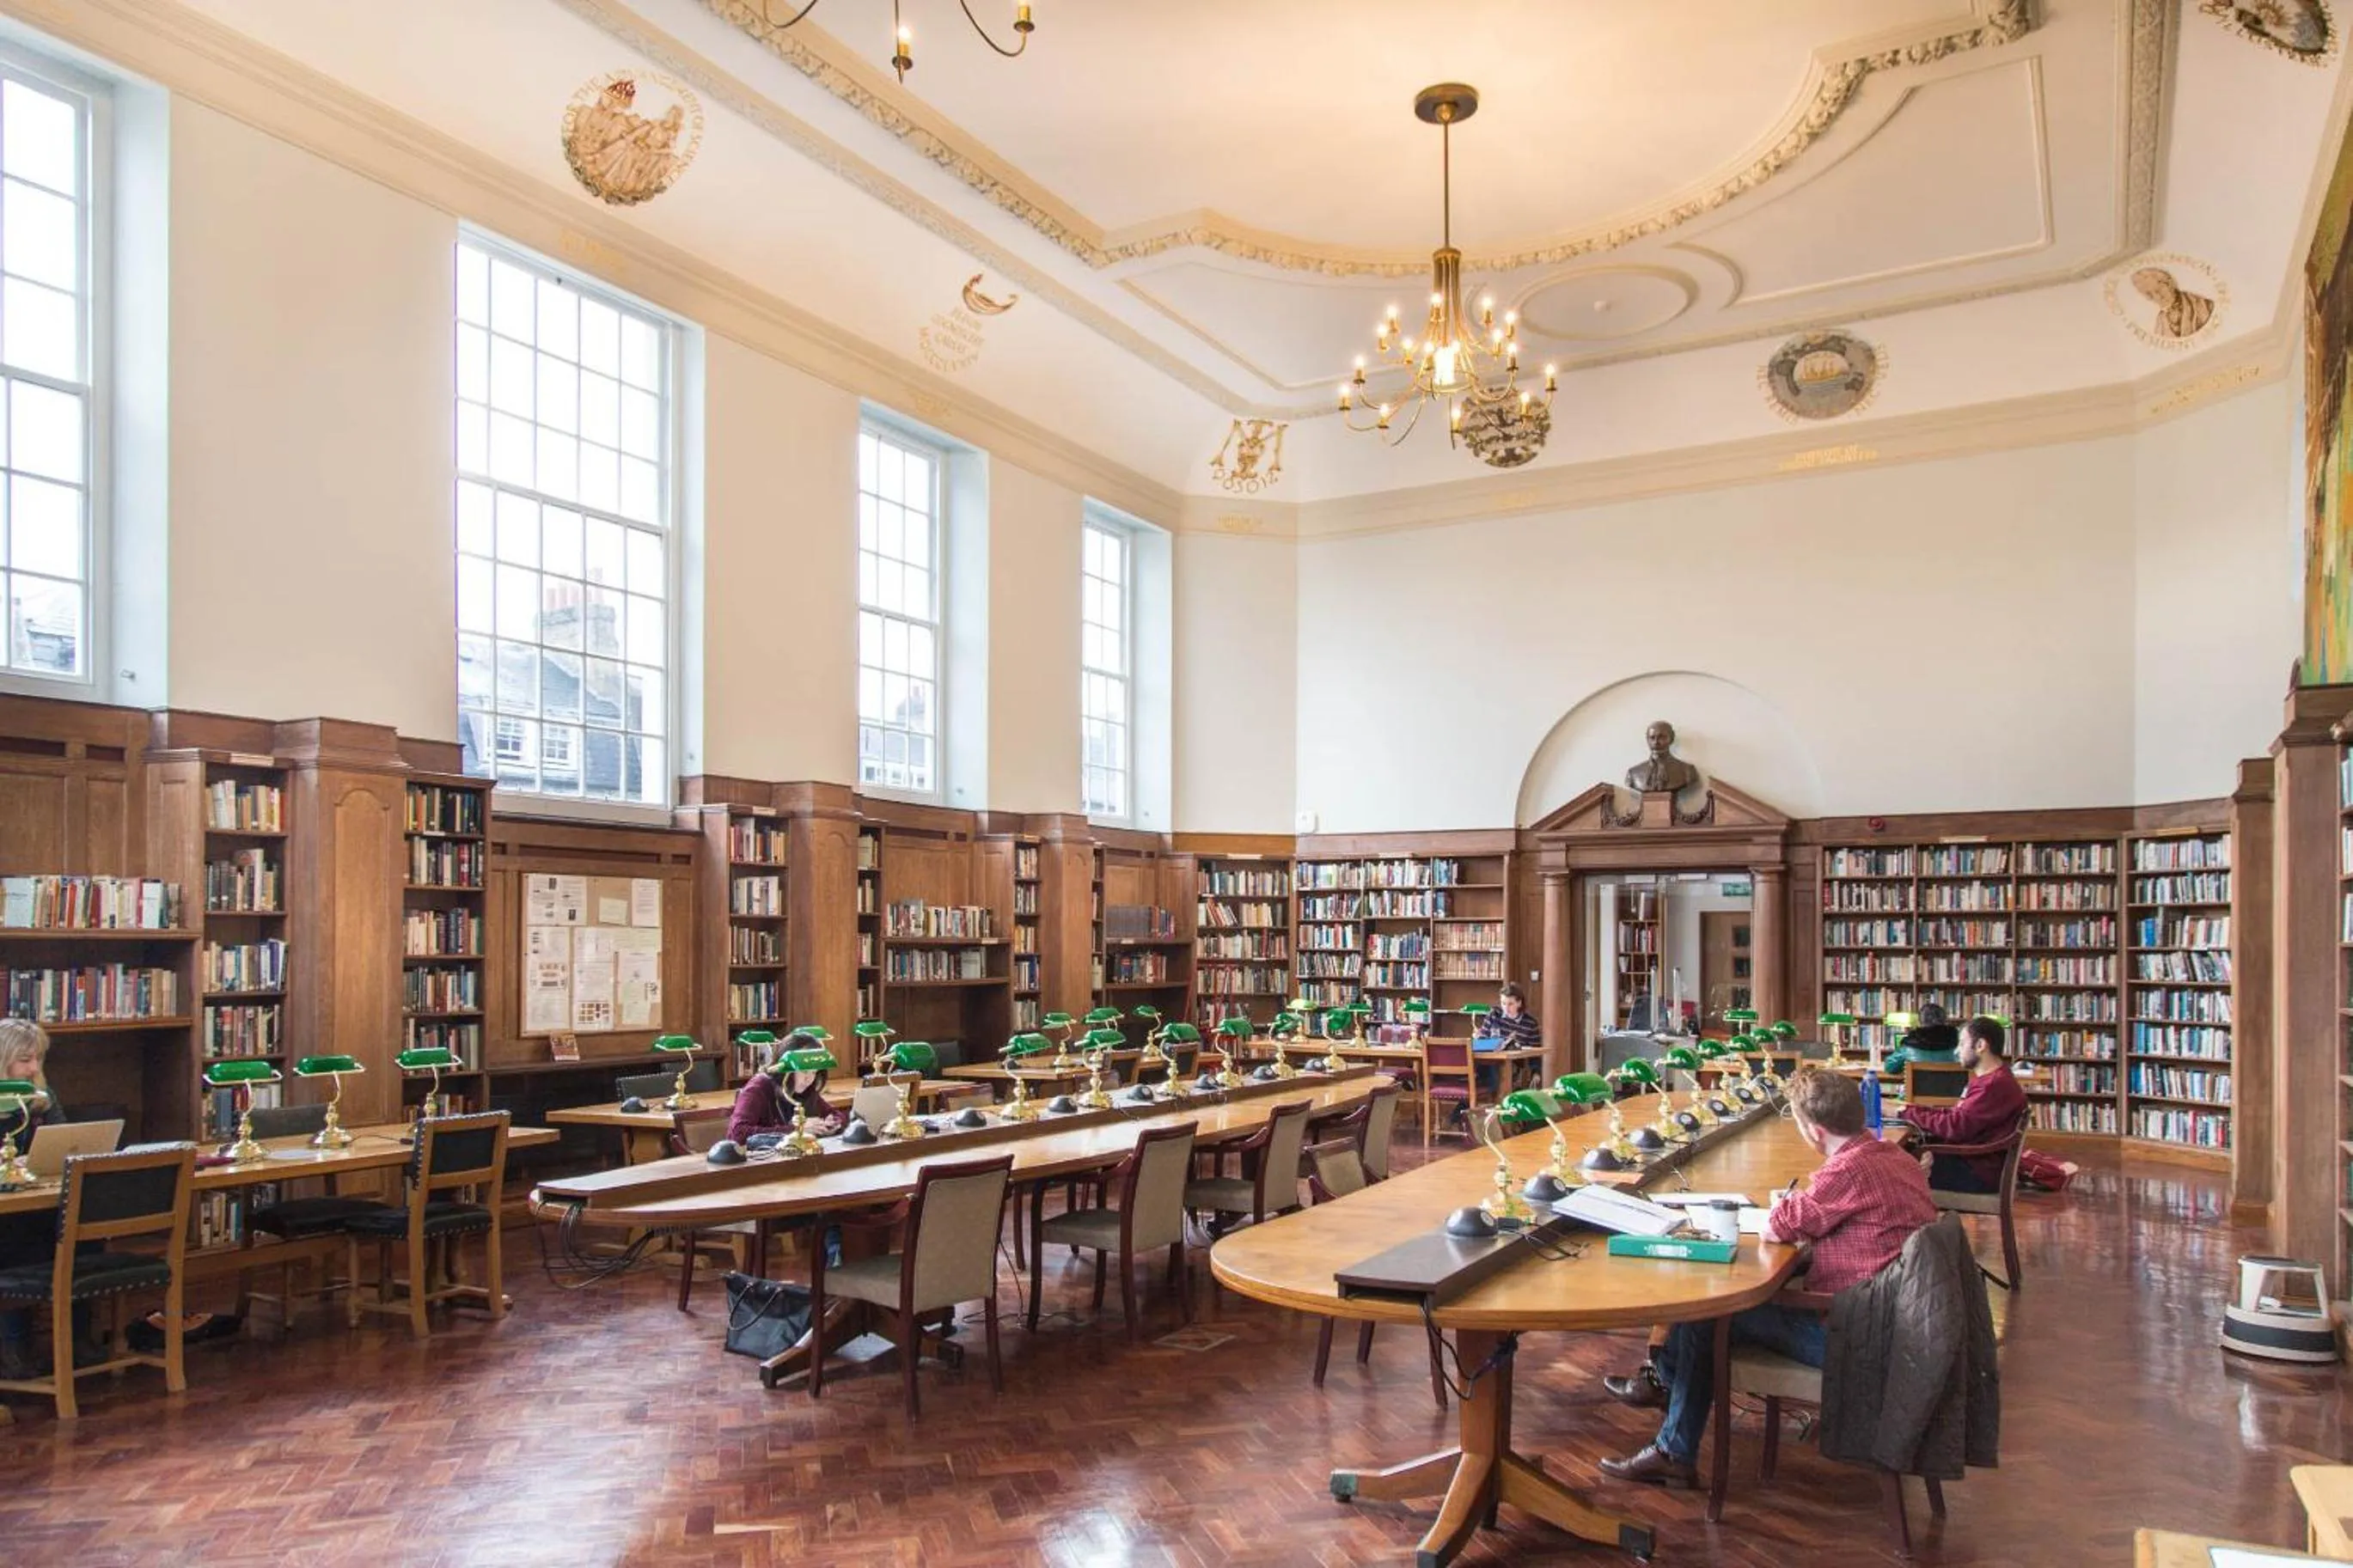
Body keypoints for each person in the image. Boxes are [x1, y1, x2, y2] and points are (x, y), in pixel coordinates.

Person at [1597, 1065, 1937, 1487]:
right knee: (1707, 1315)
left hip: (1855, 1339)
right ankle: (1664, 1385)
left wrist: (1789, 1206)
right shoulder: (1890, 1156)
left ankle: (1673, 1443)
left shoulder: (1846, 1170)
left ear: (1813, 1132)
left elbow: (1778, 1227)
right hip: (1895, 1323)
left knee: (1710, 1312)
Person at [0, 1020, 66, 1376]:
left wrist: (38, 1158)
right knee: (15, 1237)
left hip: (35, 1200)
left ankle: (76, 1341)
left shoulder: (42, 1096)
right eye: (25, 1059)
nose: (34, 1068)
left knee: (80, 1231)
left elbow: (65, 1141)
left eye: (38, 1058)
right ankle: (13, 1347)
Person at [1898, 1015, 2027, 1194]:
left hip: (1977, 1172)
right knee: (1898, 1157)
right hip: (1974, 1161)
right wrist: (1909, 1110)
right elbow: (1957, 1117)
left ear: (1980, 1046)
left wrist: (1906, 1114)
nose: (1956, 1051)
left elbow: (1956, 1126)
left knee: (1890, 1169)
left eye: (1962, 1043)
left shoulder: (1993, 1085)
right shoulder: (1991, 1079)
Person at [726, 1029, 845, 1144]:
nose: (809, 1079)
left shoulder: (805, 1089)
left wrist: (832, 1123)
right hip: (759, 1160)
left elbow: (837, 1115)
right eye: (804, 1071)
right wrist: (796, 1130)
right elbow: (738, 1134)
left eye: (814, 1072)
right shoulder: (758, 1087)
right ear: (786, 1067)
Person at [1879, 1001, 1959, 1076]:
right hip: (1954, 1090)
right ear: (1944, 1021)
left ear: (1920, 1021)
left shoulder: (1908, 1046)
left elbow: (1889, 1067)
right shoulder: (1959, 1046)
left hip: (1917, 1090)